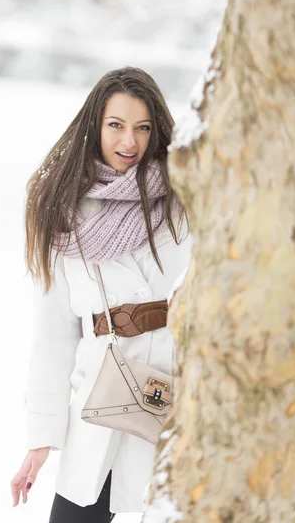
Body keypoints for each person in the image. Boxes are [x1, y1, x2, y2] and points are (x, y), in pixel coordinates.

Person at [10, 66, 193, 522]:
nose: (129, 142)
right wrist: (40, 439)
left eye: (142, 128)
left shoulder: (187, 197)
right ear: (95, 125)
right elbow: (53, 335)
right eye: (116, 125)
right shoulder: (59, 206)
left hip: (178, 395)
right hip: (101, 399)